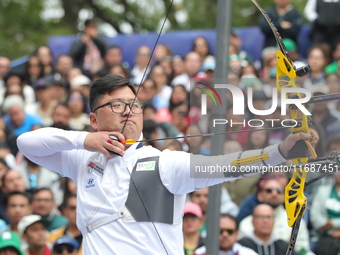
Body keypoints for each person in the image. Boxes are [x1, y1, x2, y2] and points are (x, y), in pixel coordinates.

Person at [17, 74, 316, 254]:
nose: (128, 113)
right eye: (117, 105)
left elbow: (229, 165)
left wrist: (280, 151)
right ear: (94, 119)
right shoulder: (82, 159)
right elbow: (26, 144)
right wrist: (86, 140)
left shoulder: (165, 163)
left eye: (134, 105)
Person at [194, 214, 258, 255]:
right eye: (220, 231)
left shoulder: (248, 253)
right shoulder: (199, 253)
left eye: (230, 231)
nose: (225, 235)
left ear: (237, 234)